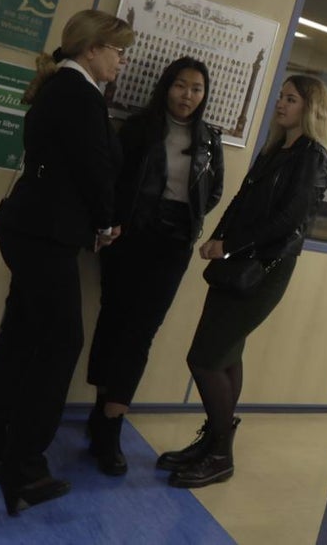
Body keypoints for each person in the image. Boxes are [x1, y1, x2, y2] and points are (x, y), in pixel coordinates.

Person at [0, 10, 133, 516]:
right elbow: (94, 168)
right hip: (45, 233)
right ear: (91, 49)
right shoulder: (79, 94)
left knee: (21, 338)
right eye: (117, 49)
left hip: (30, 228)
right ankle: (23, 466)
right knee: (61, 341)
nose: (121, 59)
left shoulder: (64, 88)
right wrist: (108, 222)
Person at [156, 74, 327, 488]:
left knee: (204, 357)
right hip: (238, 260)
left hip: (264, 268)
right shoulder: (277, 148)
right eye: (282, 97)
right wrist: (218, 236)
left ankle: (220, 454)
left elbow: (290, 220)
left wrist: (231, 244)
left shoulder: (313, 156)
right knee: (227, 354)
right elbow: (241, 199)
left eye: (291, 99)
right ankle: (215, 440)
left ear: (311, 108)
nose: (281, 104)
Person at [85, 57, 224, 475]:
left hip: (174, 243)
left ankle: (112, 422)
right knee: (113, 321)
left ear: (204, 95)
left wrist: (188, 218)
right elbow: (115, 178)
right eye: (181, 86)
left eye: (196, 89)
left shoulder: (209, 140)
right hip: (130, 236)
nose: (187, 95)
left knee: (142, 331)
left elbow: (212, 190)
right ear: (167, 87)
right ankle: (99, 410)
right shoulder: (140, 129)